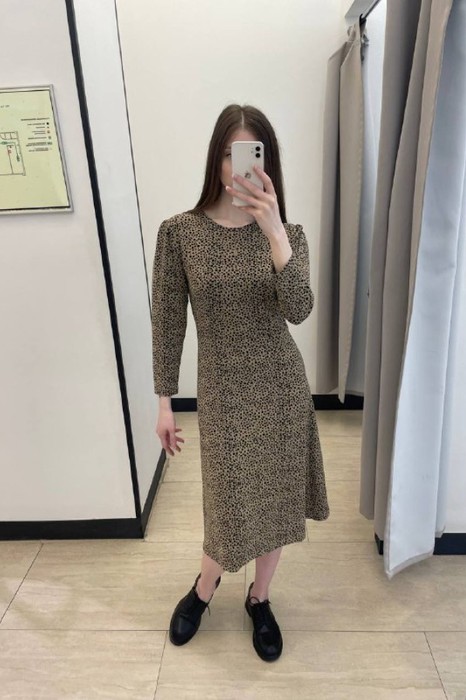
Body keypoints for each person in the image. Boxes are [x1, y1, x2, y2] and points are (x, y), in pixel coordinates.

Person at [151, 104, 329, 662]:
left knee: (275, 502)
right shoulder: (179, 233)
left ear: (267, 163)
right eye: (232, 153)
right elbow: (167, 321)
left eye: (253, 155)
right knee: (227, 504)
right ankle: (205, 588)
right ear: (217, 158)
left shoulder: (288, 234)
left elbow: (299, 310)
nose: (240, 166)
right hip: (223, 393)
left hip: (280, 389)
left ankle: (260, 598)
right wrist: (164, 401)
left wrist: (274, 232)